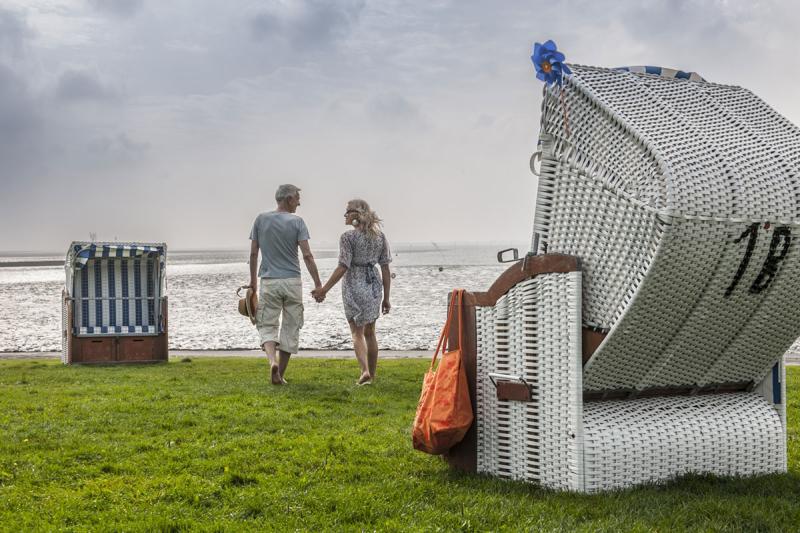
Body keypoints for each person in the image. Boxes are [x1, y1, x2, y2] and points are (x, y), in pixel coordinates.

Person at [248, 184, 322, 385]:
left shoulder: (261, 220)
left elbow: (254, 253)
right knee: (291, 327)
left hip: (269, 281)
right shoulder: (298, 222)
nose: (299, 202)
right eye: (297, 198)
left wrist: (253, 283)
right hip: (292, 281)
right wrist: (318, 284)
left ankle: (272, 361)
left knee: (267, 324)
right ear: (288, 198)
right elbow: (307, 255)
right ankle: (280, 373)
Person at [312, 199, 392, 385]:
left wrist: (324, 289)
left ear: (358, 214)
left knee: (356, 331)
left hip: (354, 283)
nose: (345, 215)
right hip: (373, 284)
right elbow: (386, 269)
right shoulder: (380, 237)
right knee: (370, 332)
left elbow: (343, 267)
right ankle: (371, 376)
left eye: (348, 211)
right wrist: (386, 298)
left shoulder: (347, 237)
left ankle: (364, 371)